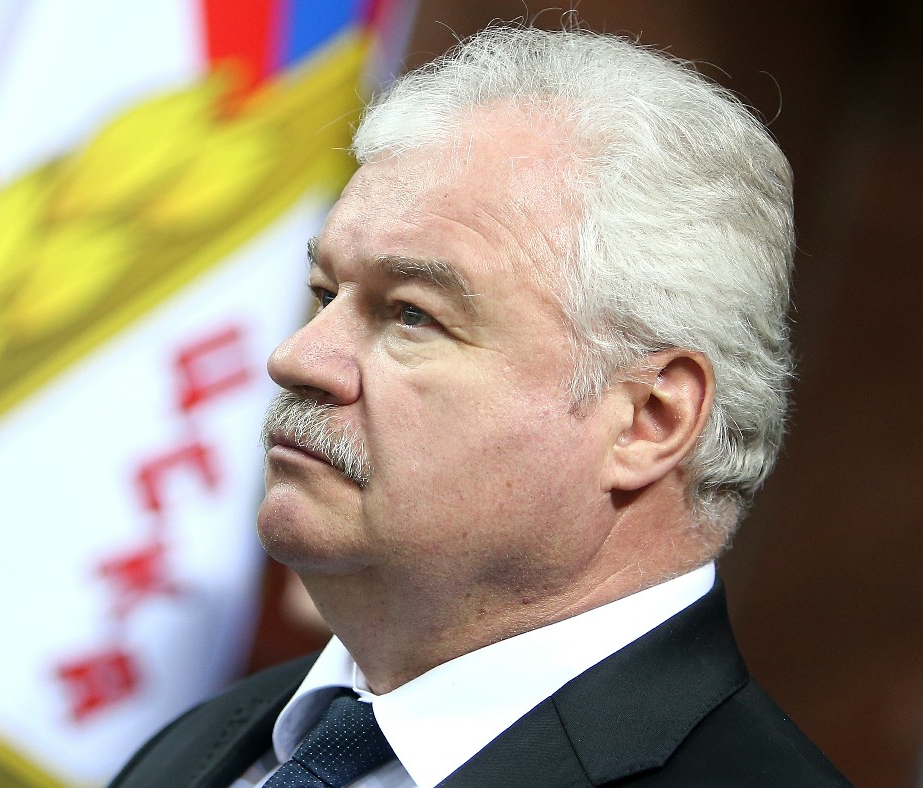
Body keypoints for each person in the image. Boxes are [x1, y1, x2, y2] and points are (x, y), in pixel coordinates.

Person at [109, 24, 849, 787]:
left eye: (412, 314)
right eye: (325, 295)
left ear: (648, 421)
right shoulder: (200, 749)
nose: (297, 359)